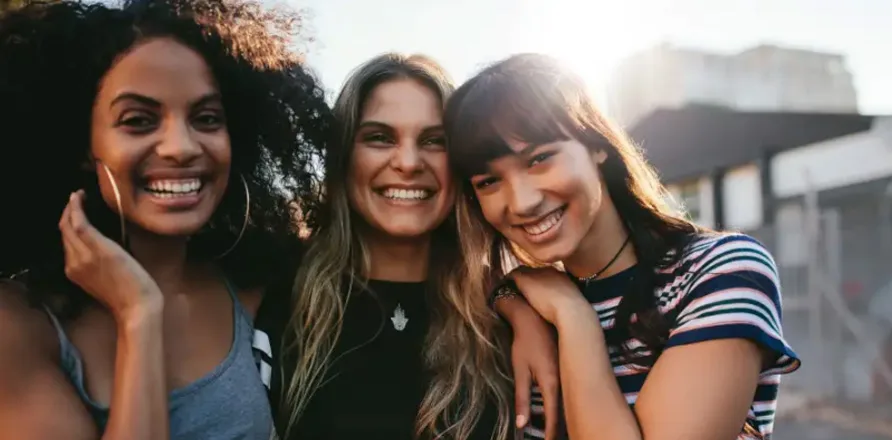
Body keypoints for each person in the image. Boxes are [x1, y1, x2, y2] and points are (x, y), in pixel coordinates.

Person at [0, 0, 331, 438]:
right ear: (83, 144)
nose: (181, 147)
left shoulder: (255, 284)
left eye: (207, 118)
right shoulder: (19, 323)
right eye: (138, 120)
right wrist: (139, 315)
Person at [444, 53, 802, 440]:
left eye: (539, 158)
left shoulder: (720, 271)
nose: (521, 201)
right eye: (487, 182)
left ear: (597, 145)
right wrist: (511, 298)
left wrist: (574, 319)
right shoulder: (527, 302)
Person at [257, 53, 560, 440]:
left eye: (434, 140)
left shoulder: (505, 321)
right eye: (379, 138)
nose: (408, 162)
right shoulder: (277, 297)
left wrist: (525, 307)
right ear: (344, 157)